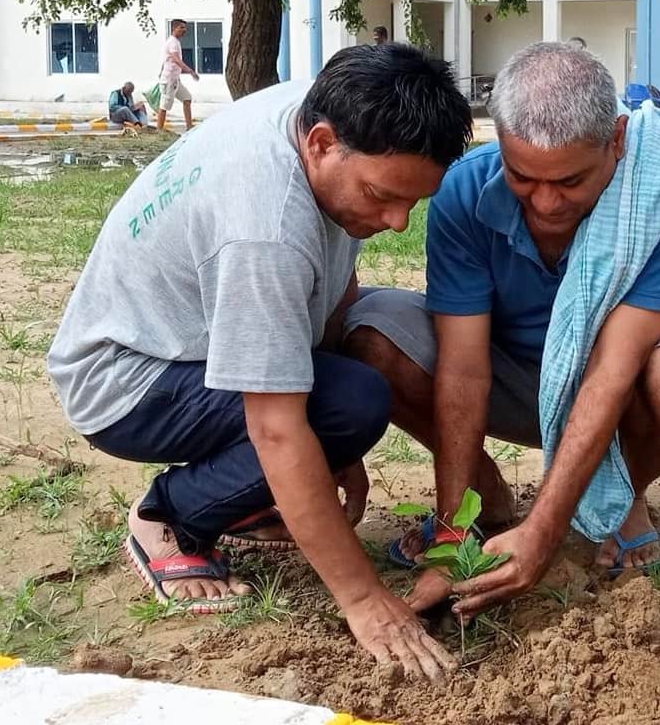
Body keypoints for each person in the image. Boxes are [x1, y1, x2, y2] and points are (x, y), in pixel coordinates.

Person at [47, 43, 473, 680]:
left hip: (188, 345)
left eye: (414, 202)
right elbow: (276, 427)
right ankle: (165, 518)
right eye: (383, 196)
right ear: (323, 143)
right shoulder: (264, 225)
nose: (396, 221)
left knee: (346, 404)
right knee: (341, 406)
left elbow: (330, 293)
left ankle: (250, 497)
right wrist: (363, 599)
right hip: (126, 379)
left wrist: (341, 452)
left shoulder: (317, 113)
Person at [345, 41, 660, 621]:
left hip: (616, 393)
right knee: (371, 332)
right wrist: (450, 532)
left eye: (569, 182)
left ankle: (622, 496)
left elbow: (614, 368)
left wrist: (543, 533)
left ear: (616, 141)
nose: (546, 203)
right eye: (523, 178)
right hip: (510, 379)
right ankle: (482, 501)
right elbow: (465, 368)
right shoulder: (464, 192)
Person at [155, 20, 200, 131]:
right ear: (174, 28)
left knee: (187, 98)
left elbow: (167, 61)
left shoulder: (176, 42)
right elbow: (176, 60)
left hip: (175, 80)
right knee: (164, 106)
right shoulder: (172, 42)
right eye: (181, 27)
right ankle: (159, 130)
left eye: (184, 28)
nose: (184, 30)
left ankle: (189, 126)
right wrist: (190, 71)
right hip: (169, 80)